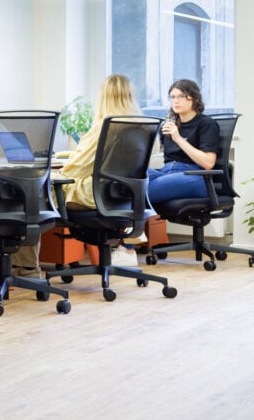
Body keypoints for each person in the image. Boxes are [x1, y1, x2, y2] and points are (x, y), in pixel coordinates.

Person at [12, 74, 144, 274]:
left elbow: (74, 170)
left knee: (26, 192)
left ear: (104, 98)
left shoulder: (105, 127)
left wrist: (50, 174)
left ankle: (26, 268)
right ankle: (24, 266)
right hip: (122, 197)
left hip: (91, 196)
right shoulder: (137, 126)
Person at [147, 78, 220, 205]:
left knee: (140, 191)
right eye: (172, 97)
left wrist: (178, 138)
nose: (176, 101)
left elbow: (208, 163)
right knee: (127, 180)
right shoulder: (170, 124)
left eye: (181, 96)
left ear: (195, 99)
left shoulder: (207, 124)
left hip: (195, 176)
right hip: (166, 172)